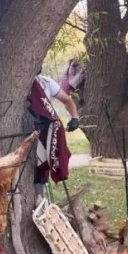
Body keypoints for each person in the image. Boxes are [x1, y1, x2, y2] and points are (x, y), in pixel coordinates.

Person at [26, 73, 80, 201]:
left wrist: (75, 117)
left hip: (44, 130)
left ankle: (40, 197)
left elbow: (67, 100)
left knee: (43, 162)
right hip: (24, 130)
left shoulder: (46, 82)